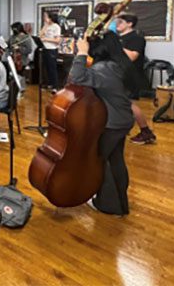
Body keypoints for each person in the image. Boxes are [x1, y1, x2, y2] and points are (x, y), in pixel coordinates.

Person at [69, 35, 136, 216]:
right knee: (115, 159)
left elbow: (76, 76)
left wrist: (82, 52)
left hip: (112, 123)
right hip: (123, 119)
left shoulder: (103, 69)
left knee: (99, 161)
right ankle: (121, 202)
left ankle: (109, 205)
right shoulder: (119, 64)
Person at [114, 13, 156, 145]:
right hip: (119, 74)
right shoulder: (118, 38)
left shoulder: (137, 38)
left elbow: (132, 56)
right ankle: (122, 127)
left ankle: (146, 132)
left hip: (131, 76)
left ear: (129, 23)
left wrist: (115, 45)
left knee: (128, 104)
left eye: (120, 22)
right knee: (119, 103)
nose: (117, 24)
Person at [40, 12, 63, 90]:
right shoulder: (46, 26)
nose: (45, 18)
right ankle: (48, 84)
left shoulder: (56, 27)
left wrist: (46, 39)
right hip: (45, 49)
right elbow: (40, 35)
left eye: (46, 17)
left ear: (51, 18)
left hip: (52, 50)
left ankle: (55, 86)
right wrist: (46, 25)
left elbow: (57, 40)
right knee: (45, 68)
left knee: (52, 68)